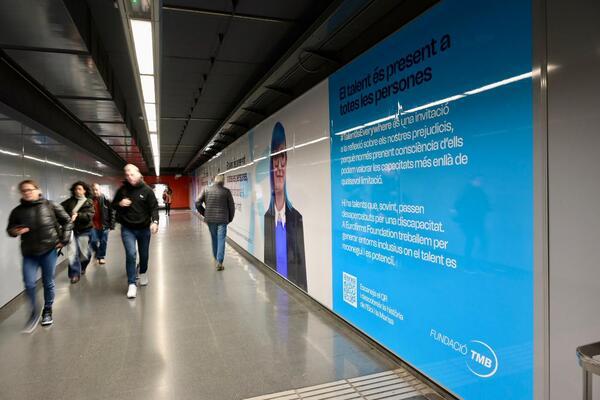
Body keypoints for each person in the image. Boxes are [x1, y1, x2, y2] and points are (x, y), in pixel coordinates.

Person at [6, 180, 73, 332]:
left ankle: (47, 310)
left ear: (38, 190)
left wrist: (64, 240)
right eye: (23, 191)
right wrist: (15, 231)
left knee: (47, 282)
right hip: (29, 253)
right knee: (29, 284)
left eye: (30, 189)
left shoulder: (51, 205)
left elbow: (67, 221)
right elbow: (10, 229)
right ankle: (33, 313)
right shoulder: (17, 211)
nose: (27, 192)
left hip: (48, 251)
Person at [264, 122, 307, 291]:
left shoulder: (297, 219)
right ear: (270, 164)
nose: (280, 167)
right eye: (275, 158)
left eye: (283, 157)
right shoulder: (267, 218)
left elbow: (302, 281)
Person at [112, 164, 159, 298]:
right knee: (131, 254)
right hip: (128, 229)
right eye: (127, 175)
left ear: (138, 174)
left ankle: (143, 272)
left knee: (144, 255)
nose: (129, 177)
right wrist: (120, 204)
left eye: (132, 174)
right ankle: (131, 283)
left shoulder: (147, 190)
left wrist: (155, 222)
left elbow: (154, 208)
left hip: (144, 229)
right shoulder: (122, 190)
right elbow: (113, 204)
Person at [196, 174, 235, 271]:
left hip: (210, 220)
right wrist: (230, 218)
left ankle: (216, 258)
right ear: (223, 182)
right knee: (221, 239)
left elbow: (197, 202)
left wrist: (204, 213)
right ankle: (220, 262)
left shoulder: (206, 189)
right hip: (222, 220)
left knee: (214, 238)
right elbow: (231, 207)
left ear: (214, 181)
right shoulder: (226, 192)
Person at [61, 181, 95, 283]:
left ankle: (83, 266)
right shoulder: (69, 202)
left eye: (80, 189)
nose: (77, 191)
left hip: (85, 230)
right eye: (75, 189)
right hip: (72, 230)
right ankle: (74, 274)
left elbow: (90, 215)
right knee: (72, 252)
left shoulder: (88, 202)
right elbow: (59, 210)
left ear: (84, 190)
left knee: (85, 253)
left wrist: (78, 215)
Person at [90, 183, 115, 265]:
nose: (95, 191)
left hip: (104, 224)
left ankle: (101, 257)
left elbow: (112, 211)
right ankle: (98, 253)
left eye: (96, 189)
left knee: (103, 241)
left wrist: (112, 224)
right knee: (93, 241)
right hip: (93, 224)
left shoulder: (105, 199)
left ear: (100, 190)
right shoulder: (89, 200)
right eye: (93, 190)